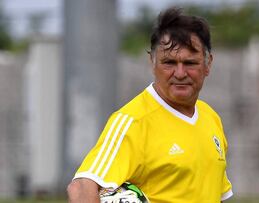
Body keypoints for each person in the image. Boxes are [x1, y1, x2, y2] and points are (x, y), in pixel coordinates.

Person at [67, 7, 233, 203]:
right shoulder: (134, 121)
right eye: (169, 62)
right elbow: (81, 188)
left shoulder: (210, 118)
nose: (180, 73)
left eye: (190, 63)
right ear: (152, 62)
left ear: (208, 64)